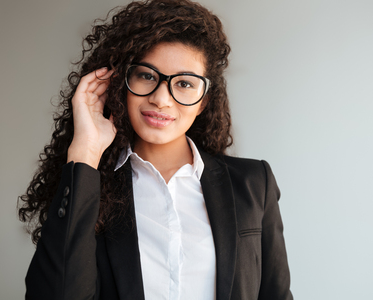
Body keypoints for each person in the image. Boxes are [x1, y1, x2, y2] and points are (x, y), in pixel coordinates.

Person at [18, 0, 293, 299]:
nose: (162, 99)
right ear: (120, 81)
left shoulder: (253, 184)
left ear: (203, 101)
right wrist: (85, 151)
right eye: (147, 76)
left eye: (185, 83)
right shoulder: (90, 186)